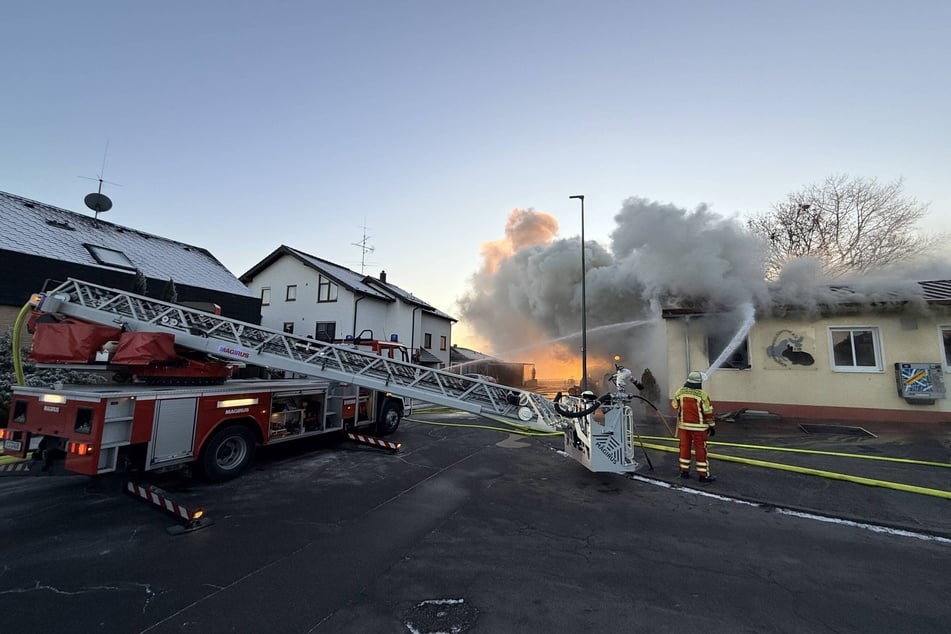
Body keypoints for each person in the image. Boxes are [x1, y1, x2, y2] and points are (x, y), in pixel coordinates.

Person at [671, 371, 716, 483]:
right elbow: (708, 412)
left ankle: (684, 472)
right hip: (699, 429)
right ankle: (703, 475)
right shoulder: (702, 395)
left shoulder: (680, 392)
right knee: (700, 450)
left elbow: (674, 405)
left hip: (684, 427)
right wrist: (712, 426)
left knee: (684, 448)